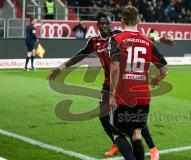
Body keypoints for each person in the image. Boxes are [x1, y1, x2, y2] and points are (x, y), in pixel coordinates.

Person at [48, 10, 173, 159]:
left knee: (132, 122)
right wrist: (61, 68)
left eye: (108, 23)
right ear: (97, 25)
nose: (105, 26)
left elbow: (142, 37)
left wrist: (161, 39)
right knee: (104, 117)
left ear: (113, 23)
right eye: (102, 24)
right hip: (109, 84)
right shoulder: (94, 41)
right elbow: (79, 56)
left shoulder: (118, 36)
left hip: (123, 85)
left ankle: (152, 147)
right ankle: (118, 143)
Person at [109, 6, 168, 160]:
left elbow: (114, 68)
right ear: (139, 20)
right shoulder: (148, 42)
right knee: (136, 134)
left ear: (122, 21)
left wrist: (112, 94)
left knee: (116, 133)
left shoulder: (116, 40)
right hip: (143, 95)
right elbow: (164, 70)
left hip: (124, 94)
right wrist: (158, 78)